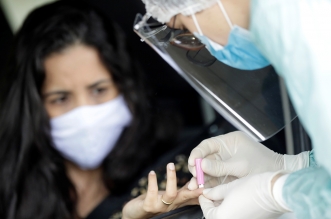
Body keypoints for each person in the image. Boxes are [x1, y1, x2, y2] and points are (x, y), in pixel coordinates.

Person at [0, 1, 203, 219]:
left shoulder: (177, 171)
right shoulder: (10, 188)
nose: (85, 114)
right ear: (31, 106)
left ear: (125, 87)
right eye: (60, 98)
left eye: (98, 90)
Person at [139, 0, 331, 218]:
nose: (200, 41)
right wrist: (296, 165)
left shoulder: (315, 31)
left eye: (184, 28)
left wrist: (277, 192)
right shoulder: (297, 27)